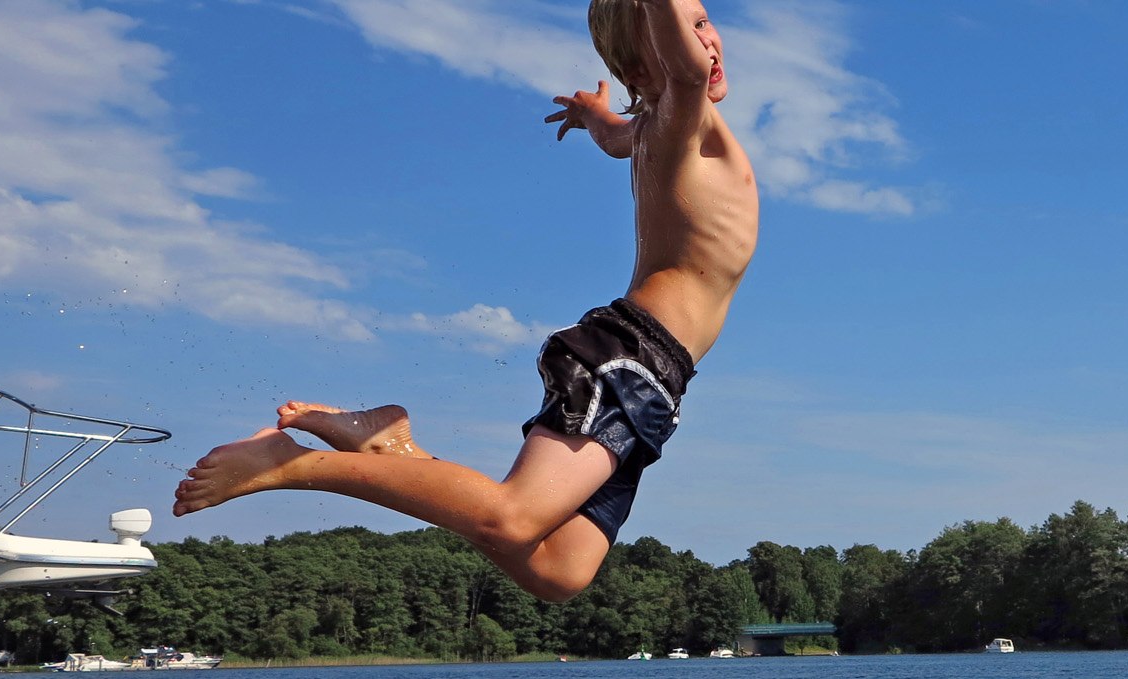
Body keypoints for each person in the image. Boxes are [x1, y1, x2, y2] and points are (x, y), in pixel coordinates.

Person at [171, 0, 757, 603]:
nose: (706, 42)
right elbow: (681, 75)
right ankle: (286, 464)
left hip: (662, 379)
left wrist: (592, 115)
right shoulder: (678, 117)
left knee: (559, 571)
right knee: (510, 518)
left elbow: (613, 139)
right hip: (631, 356)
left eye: (705, 21)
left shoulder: (653, 130)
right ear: (644, 69)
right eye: (684, 30)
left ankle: (391, 448)